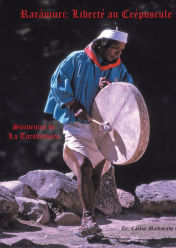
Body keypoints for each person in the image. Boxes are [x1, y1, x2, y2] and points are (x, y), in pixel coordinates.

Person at [44, 28, 133, 236]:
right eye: (115, 48)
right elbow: (57, 82)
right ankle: (88, 218)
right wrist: (73, 104)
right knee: (84, 166)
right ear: (102, 45)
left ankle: (90, 223)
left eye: (121, 49)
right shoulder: (76, 59)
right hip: (77, 126)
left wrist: (111, 88)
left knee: (95, 176)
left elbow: (129, 90)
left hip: (103, 129)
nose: (118, 53)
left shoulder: (118, 68)